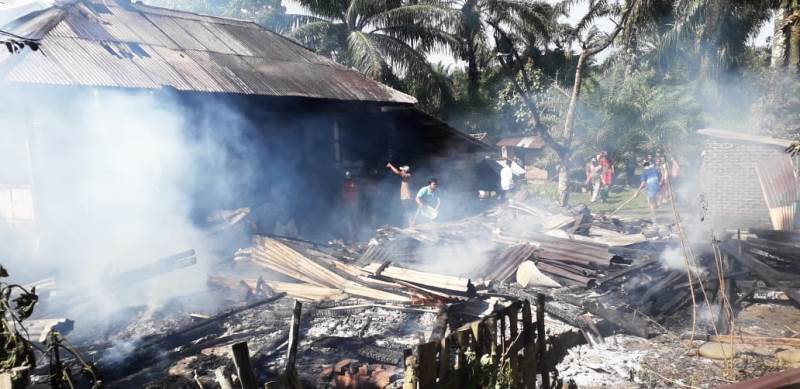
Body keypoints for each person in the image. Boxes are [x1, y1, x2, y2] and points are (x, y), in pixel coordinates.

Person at [386, 162, 414, 227]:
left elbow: (397, 172)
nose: (401, 171)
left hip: (407, 197)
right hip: (405, 197)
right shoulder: (406, 176)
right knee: (407, 211)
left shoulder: (407, 175)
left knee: (408, 211)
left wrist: (390, 166)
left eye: (402, 170)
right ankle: (409, 224)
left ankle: (411, 224)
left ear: (405, 170)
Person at [340, 171, 359, 242]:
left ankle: (351, 238)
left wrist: (344, 202)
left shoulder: (348, 184)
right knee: (352, 221)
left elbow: (344, 195)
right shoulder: (353, 184)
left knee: (349, 221)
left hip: (350, 205)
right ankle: (353, 237)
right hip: (353, 205)